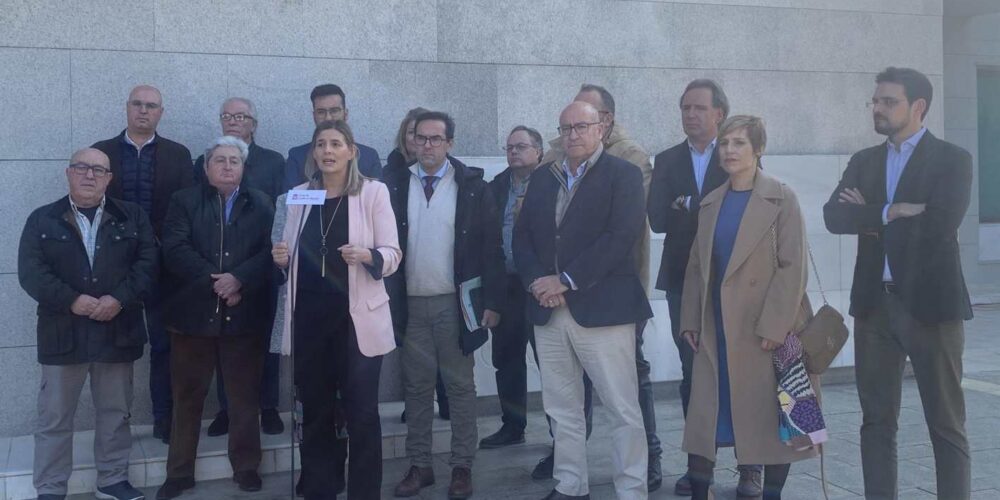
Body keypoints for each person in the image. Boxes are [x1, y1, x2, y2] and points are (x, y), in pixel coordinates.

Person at [824, 67, 973, 500]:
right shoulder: (864, 161)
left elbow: (939, 226)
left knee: (945, 423)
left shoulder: (952, 159)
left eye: (888, 101)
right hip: (875, 309)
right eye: (876, 101)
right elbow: (835, 217)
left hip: (932, 309)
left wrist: (869, 214)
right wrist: (893, 211)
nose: (878, 108)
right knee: (876, 422)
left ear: (918, 107)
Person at [515, 101, 651, 500]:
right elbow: (522, 237)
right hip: (548, 309)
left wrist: (566, 281)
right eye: (565, 128)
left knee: (621, 408)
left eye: (581, 127)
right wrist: (537, 282)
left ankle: (632, 490)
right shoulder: (544, 178)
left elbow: (620, 236)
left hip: (604, 309)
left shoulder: (623, 175)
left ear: (601, 128)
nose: (572, 135)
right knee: (562, 408)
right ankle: (571, 485)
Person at [679, 115, 817, 500]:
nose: (729, 151)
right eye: (724, 144)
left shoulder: (781, 197)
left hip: (764, 331)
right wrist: (689, 318)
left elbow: (794, 268)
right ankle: (699, 492)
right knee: (704, 420)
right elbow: (695, 267)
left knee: (772, 421)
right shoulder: (711, 202)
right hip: (715, 329)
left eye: (739, 143)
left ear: (758, 149)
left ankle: (769, 493)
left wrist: (775, 326)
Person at [270, 119, 401, 500]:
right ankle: (320, 490)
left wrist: (369, 255)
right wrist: (280, 258)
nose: (327, 151)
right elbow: (286, 255)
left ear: (351, 152)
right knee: (314, 413)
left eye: (336, 144)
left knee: (361, 415)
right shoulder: (298, 196)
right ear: (313, 152)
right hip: (310, 320)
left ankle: (363, 493)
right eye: (321, 144)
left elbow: (393, 254)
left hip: (356, 322)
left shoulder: (373, 193)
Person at [19, 148, 156, 500]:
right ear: (68, 173)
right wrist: (72, 300)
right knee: (54, 420)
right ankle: (50, 489)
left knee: (115, 414)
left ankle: (111, 480)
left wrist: (118, 298)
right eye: (82, 167)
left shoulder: (133, 217)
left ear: (109, 178)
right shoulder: (42, 219)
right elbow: (31, 273)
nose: (89, 175)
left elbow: (147, 265)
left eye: (98, 169)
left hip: (117, 329)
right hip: (63, 333)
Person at [384, 111, 504, 499]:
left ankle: (461, 467)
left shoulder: (471, 186)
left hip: (457, 305)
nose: (428, 146)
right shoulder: (396, 183)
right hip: (411, 305)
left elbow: (491, 248)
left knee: (459, 388)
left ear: (450, 143)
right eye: (421, 138)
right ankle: (420, 465)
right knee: (416, 389)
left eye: (437, 139)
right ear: (411, 141)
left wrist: (492, 301)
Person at [648, 79, 757, 497]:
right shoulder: (668, 159)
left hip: (734, 280)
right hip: (682, 281)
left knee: (742, 373)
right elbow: (657, 216)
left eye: (698, 108)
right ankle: (700, 466)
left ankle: (751, 466)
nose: (690, 114)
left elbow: (744, 207)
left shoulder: (738, 153)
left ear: (719, 113)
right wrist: (698, 206)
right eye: (684, 108)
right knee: (694, 375)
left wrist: (688, 205)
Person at [155, 137, 275, 499]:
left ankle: (247, 467)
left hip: (243, 315)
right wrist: (218, 282)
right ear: (205, 168)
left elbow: (271, 251)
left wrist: (240, 280)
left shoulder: (262, 204)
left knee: (243, 398)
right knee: (187, 396)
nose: (226, 166)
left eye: (234, 161)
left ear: (243, 168)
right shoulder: (184, 201)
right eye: (219, 160)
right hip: (192, 317)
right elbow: (175, 249)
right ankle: (178, 473)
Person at [92, 84, 194, 444]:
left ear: (161, 113)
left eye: (151, 106)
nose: (143, 111)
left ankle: (164, 419)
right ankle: (114, 425)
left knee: (165, 346)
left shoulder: (179, 155)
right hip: (113, 267)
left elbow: (185, 210)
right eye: (137, 104)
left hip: (163, 267)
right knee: (114, 348)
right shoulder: (102, 153)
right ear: (126, 108)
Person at [193, 97, 286, 438]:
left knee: (267, 340)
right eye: (227, 116)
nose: (233, 120)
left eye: (241, 116)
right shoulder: (203, 161)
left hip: (263, 264)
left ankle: (269, 406)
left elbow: (284, 211)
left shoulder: (274, 161)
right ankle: (226, 409)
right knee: (224, 342)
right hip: (222, 271)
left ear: (253, 123)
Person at [479, 125, 545, 449]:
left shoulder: (551, 183)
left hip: (541, 286)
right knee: (506, 358)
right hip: (505, 286)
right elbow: (487, 243)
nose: (514, 152)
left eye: (521, 146)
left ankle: (562, 434)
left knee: (549, 360)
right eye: (509, 148)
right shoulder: (495, 187)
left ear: (539, 151)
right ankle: (512, 425)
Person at [385, 106, 452, 422]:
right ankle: (416, 411)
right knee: (413, 359)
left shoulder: (457, 180)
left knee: (451, 365)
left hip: (444, 289)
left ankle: (447, 402)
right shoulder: (393, 177)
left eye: (430, 137)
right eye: (415, 135)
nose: (423, 142)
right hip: (405, 284)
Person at [285, 84, 382, 189]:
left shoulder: (369, 157)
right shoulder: (297, 156)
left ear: (345, 114)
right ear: (314, 116)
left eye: (334, 111)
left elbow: (376, 199)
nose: (328, 117)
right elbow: (289, 200)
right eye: (321, 112)